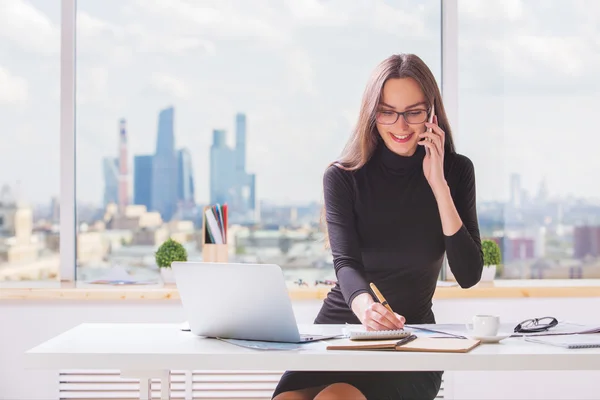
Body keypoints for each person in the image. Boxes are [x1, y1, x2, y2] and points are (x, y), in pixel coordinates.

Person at [271, 53, 484, 400]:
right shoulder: (343, 177)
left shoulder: (457, 172)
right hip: (343, 326)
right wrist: (365, 308)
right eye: (388, 111)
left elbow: (469, 274)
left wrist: (438, 184)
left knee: (337, 397)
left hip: (410, 338)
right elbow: (346, 264)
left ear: (431, 113)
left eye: (413, 112)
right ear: (373, 113)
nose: (401, 126)